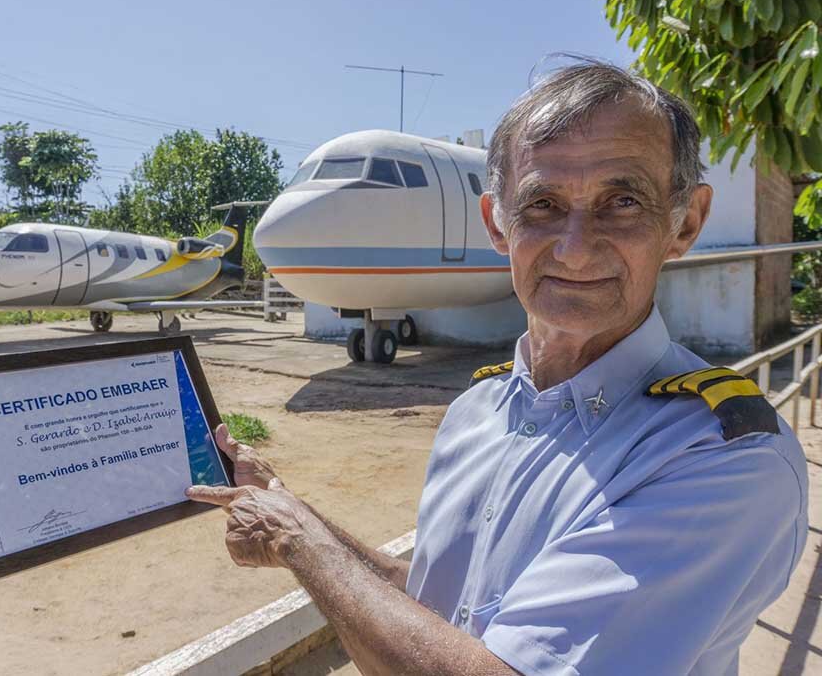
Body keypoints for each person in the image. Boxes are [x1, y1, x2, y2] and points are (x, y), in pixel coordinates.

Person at [187, 61, 809, 675]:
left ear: (686, 224)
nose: (574, 245)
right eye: (541, 203)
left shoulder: (725, 458)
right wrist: (288, 509)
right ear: (496, 224)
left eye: (623, 201)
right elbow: (451, 610)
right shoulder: (476, 412)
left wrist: (301, 541)